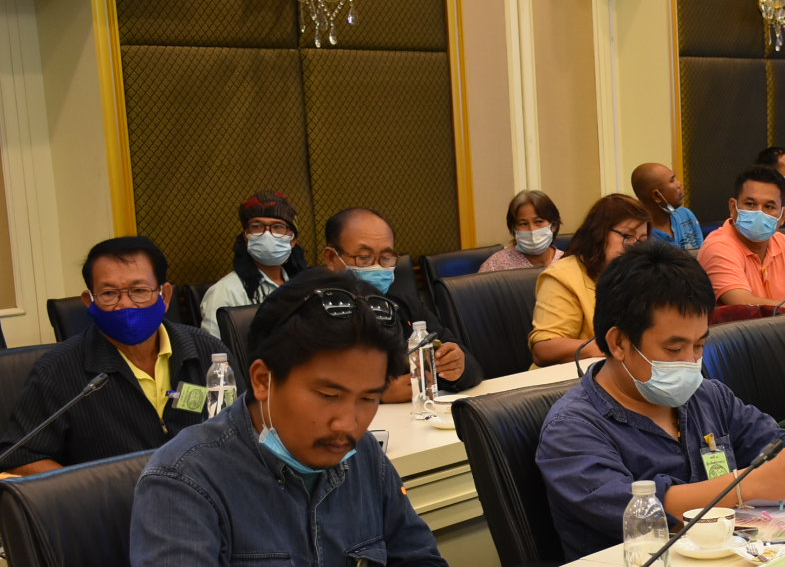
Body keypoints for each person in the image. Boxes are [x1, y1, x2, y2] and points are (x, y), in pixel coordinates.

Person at [129, 270, 451, 567]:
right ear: (263, 380)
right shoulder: (185, 476)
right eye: (328, 395)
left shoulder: (361, 456)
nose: (348, 423)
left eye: (368, 399)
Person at [537, 242, 785, 560]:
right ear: (619, 343)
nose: (690, 362)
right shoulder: (571, 428)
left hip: (728, 562)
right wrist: (744, 485)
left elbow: (779, 443)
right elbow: (637, 513)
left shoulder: (707, 396)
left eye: (698, 346)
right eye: (674, 349)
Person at [0, 236, 221, 475]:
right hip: (116, 496)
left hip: (208, 488)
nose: (125, 304)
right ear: (89, 302)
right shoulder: (57, 370)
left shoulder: (207, 350)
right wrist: (91, 487)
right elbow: (19, 456)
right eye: (109, 293)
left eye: (139, 291)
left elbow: (244, 424)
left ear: (165, 296)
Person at [321, 208, 482, 397]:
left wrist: (458, 367)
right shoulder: (312, 314)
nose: (377, 267)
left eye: (386, 258)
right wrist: (377, 394)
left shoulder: (406, 307)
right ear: (331, 258)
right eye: (364, 258)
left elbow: (472, 369)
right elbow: (310, 390)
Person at [529, 193, 650, 367]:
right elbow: (544, 349)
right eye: (627, 236)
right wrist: (608, 347)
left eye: (641, 241)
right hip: (571, 377)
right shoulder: (563, 276)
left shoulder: (639, 274)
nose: (633, 246)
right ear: (599, 233)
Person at [698, 166, 785, 308]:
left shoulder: (784, 244)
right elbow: (744, 305)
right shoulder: (718, 247)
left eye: (769, 206)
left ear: (783, 216)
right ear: (733, 207)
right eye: (750, 204)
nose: (759, 213)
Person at [199, 191, 310, 328]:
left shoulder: (305, 286)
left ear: (293, 240)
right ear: (246, 237)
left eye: (277, 227)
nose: (267, 234)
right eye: (257, 226)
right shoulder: (225, 292)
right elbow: (214, 341)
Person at [480, 190, 563, 272]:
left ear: (553, 225)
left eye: (538, 221)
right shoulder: (495, 265)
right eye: (523, 224)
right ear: (514, 228)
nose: (532, 230)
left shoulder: (565, 261)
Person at [630, 163, 703, 251]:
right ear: (657, 196)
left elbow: (701, 254)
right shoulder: (642, 237)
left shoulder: (685, 215)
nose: (679, 184)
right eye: (672, 180)